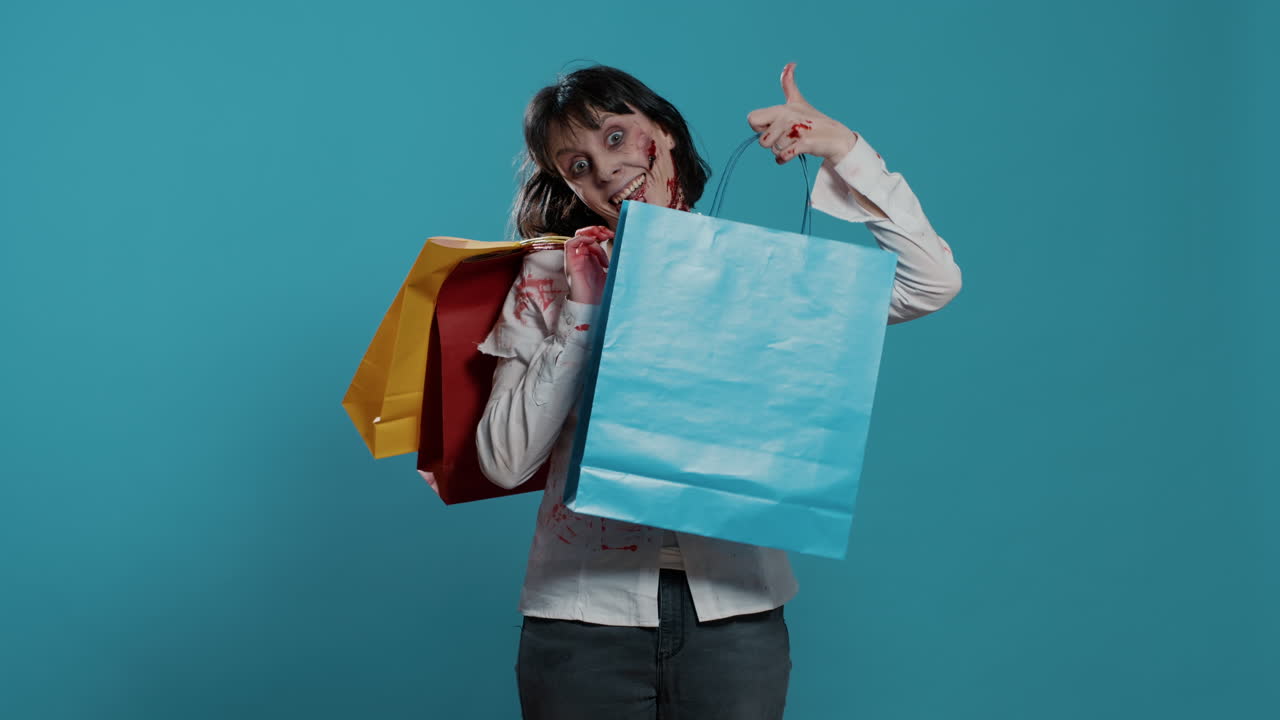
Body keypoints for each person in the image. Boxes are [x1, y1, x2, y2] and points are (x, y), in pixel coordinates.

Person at [474, 63, 962, 720]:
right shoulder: (552, 278)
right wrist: (582, 317)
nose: (605, 169)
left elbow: (931, 283)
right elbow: (504, 461)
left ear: (665, 132)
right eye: (578, 166)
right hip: (580, 618)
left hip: (735, 617)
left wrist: (845, 151)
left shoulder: (750, 274)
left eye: (616, 137)